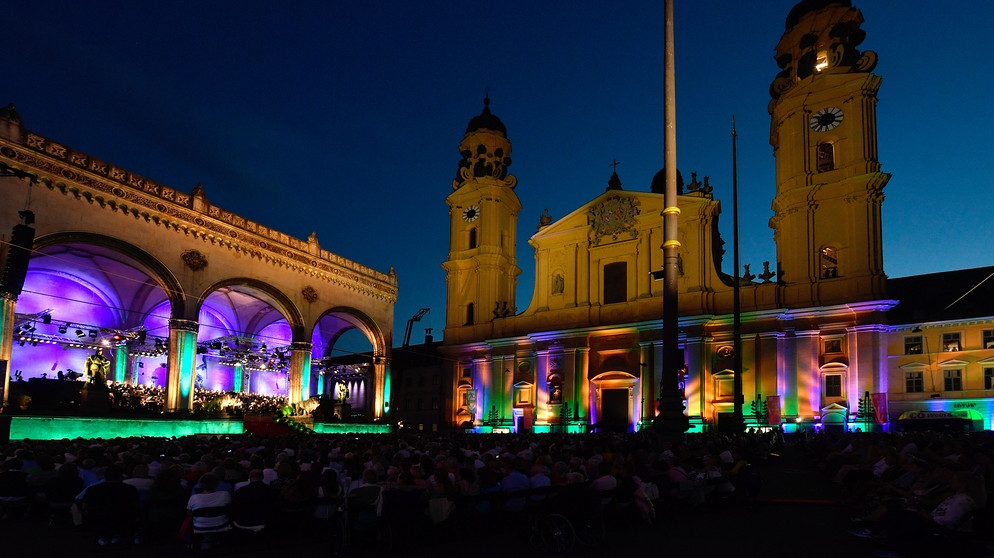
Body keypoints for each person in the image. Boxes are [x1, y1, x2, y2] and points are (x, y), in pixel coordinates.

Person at [80, 464, 140, 546]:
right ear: (121, 476)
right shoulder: (130, 489)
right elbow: (136, 505)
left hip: (99, 518)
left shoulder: (93, 489)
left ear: (105, 476)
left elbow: (84, 506)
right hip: (124, 518)